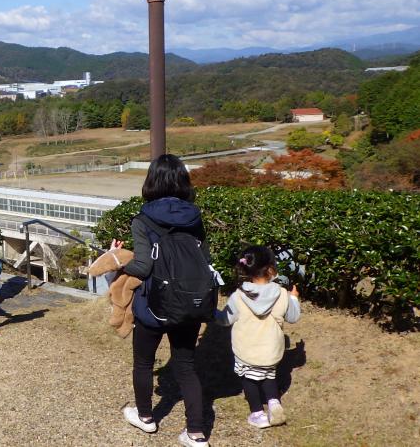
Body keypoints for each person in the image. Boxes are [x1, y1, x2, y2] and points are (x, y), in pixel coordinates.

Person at [117, 154, 212, 447]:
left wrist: (120, 261)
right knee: (185, 366)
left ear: (151, 181)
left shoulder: (143, 219)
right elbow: (204, 258)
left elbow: (143, 267)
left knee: (144, 363)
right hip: (189, 302)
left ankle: (146, 417)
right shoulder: (194, 217)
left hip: (153, 305)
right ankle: (196, 433)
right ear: (183, 180)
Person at [215, 246, 301, 429]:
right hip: (271, 351)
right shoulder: (282, 294)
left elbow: (224, 320)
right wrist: (293, 298)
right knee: (269, 376)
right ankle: (274, 403)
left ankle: (257, 414)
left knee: (250, 380)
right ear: (270, 269)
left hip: (246, 351)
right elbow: (293, 317)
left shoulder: (239, 296)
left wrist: (212, 312)